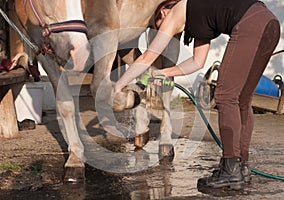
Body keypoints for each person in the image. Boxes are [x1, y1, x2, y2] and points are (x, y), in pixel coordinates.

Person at [114, 0, 280, 190]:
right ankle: (240, 166)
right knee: (242, 100)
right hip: (269, 23)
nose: (158, 31)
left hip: (250, 24)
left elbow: (147, 58)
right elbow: (197, 62)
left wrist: (119, 84)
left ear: (162, 12)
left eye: (155, 26)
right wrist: (165, 73)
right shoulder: (198, 15)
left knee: (225, 96)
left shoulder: (175, 12)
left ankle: (230, 168)